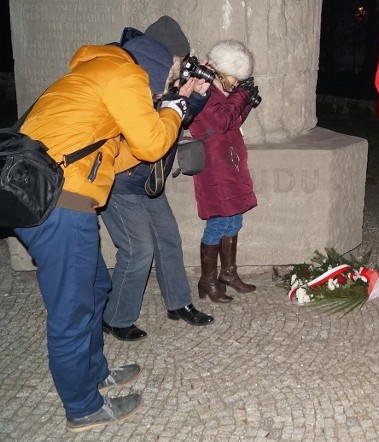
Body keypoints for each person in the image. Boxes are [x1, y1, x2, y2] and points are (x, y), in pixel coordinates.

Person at [13, 34, 197, 431]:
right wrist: (173, 111)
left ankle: (95, 371)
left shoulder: (98, 76)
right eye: (167, 76)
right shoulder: (123, 72)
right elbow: (150, 145)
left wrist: (172, 114)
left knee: (96, 287)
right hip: (60, 206)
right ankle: (82, 407)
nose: (165, 86)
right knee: (72, 311)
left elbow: (119, 155)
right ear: (152, 66)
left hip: (52, 200)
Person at [101, 16, 214, 342]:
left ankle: (178, 303)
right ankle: (115, 318)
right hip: (121, 183)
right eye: (177, 61)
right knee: (138, 249)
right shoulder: (135, 80)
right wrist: (173, 97)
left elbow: (172, 123)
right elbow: (147, 126)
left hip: (149, 182)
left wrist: (194, 97)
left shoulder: (166, 81)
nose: (179, 67)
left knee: (168, 240)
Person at [189, 40, 259, 303]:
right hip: (214, 167)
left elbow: (233, 122)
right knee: (218, 221)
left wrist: (248, 103)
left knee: (234, 218)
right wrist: (241, 95)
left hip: (229, 163)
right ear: (222, 71)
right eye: (235, 78)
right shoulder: (205, 90)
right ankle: (207, 280)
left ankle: (228, 273)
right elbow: (221, 121)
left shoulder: (221, 91)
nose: (235, 83)